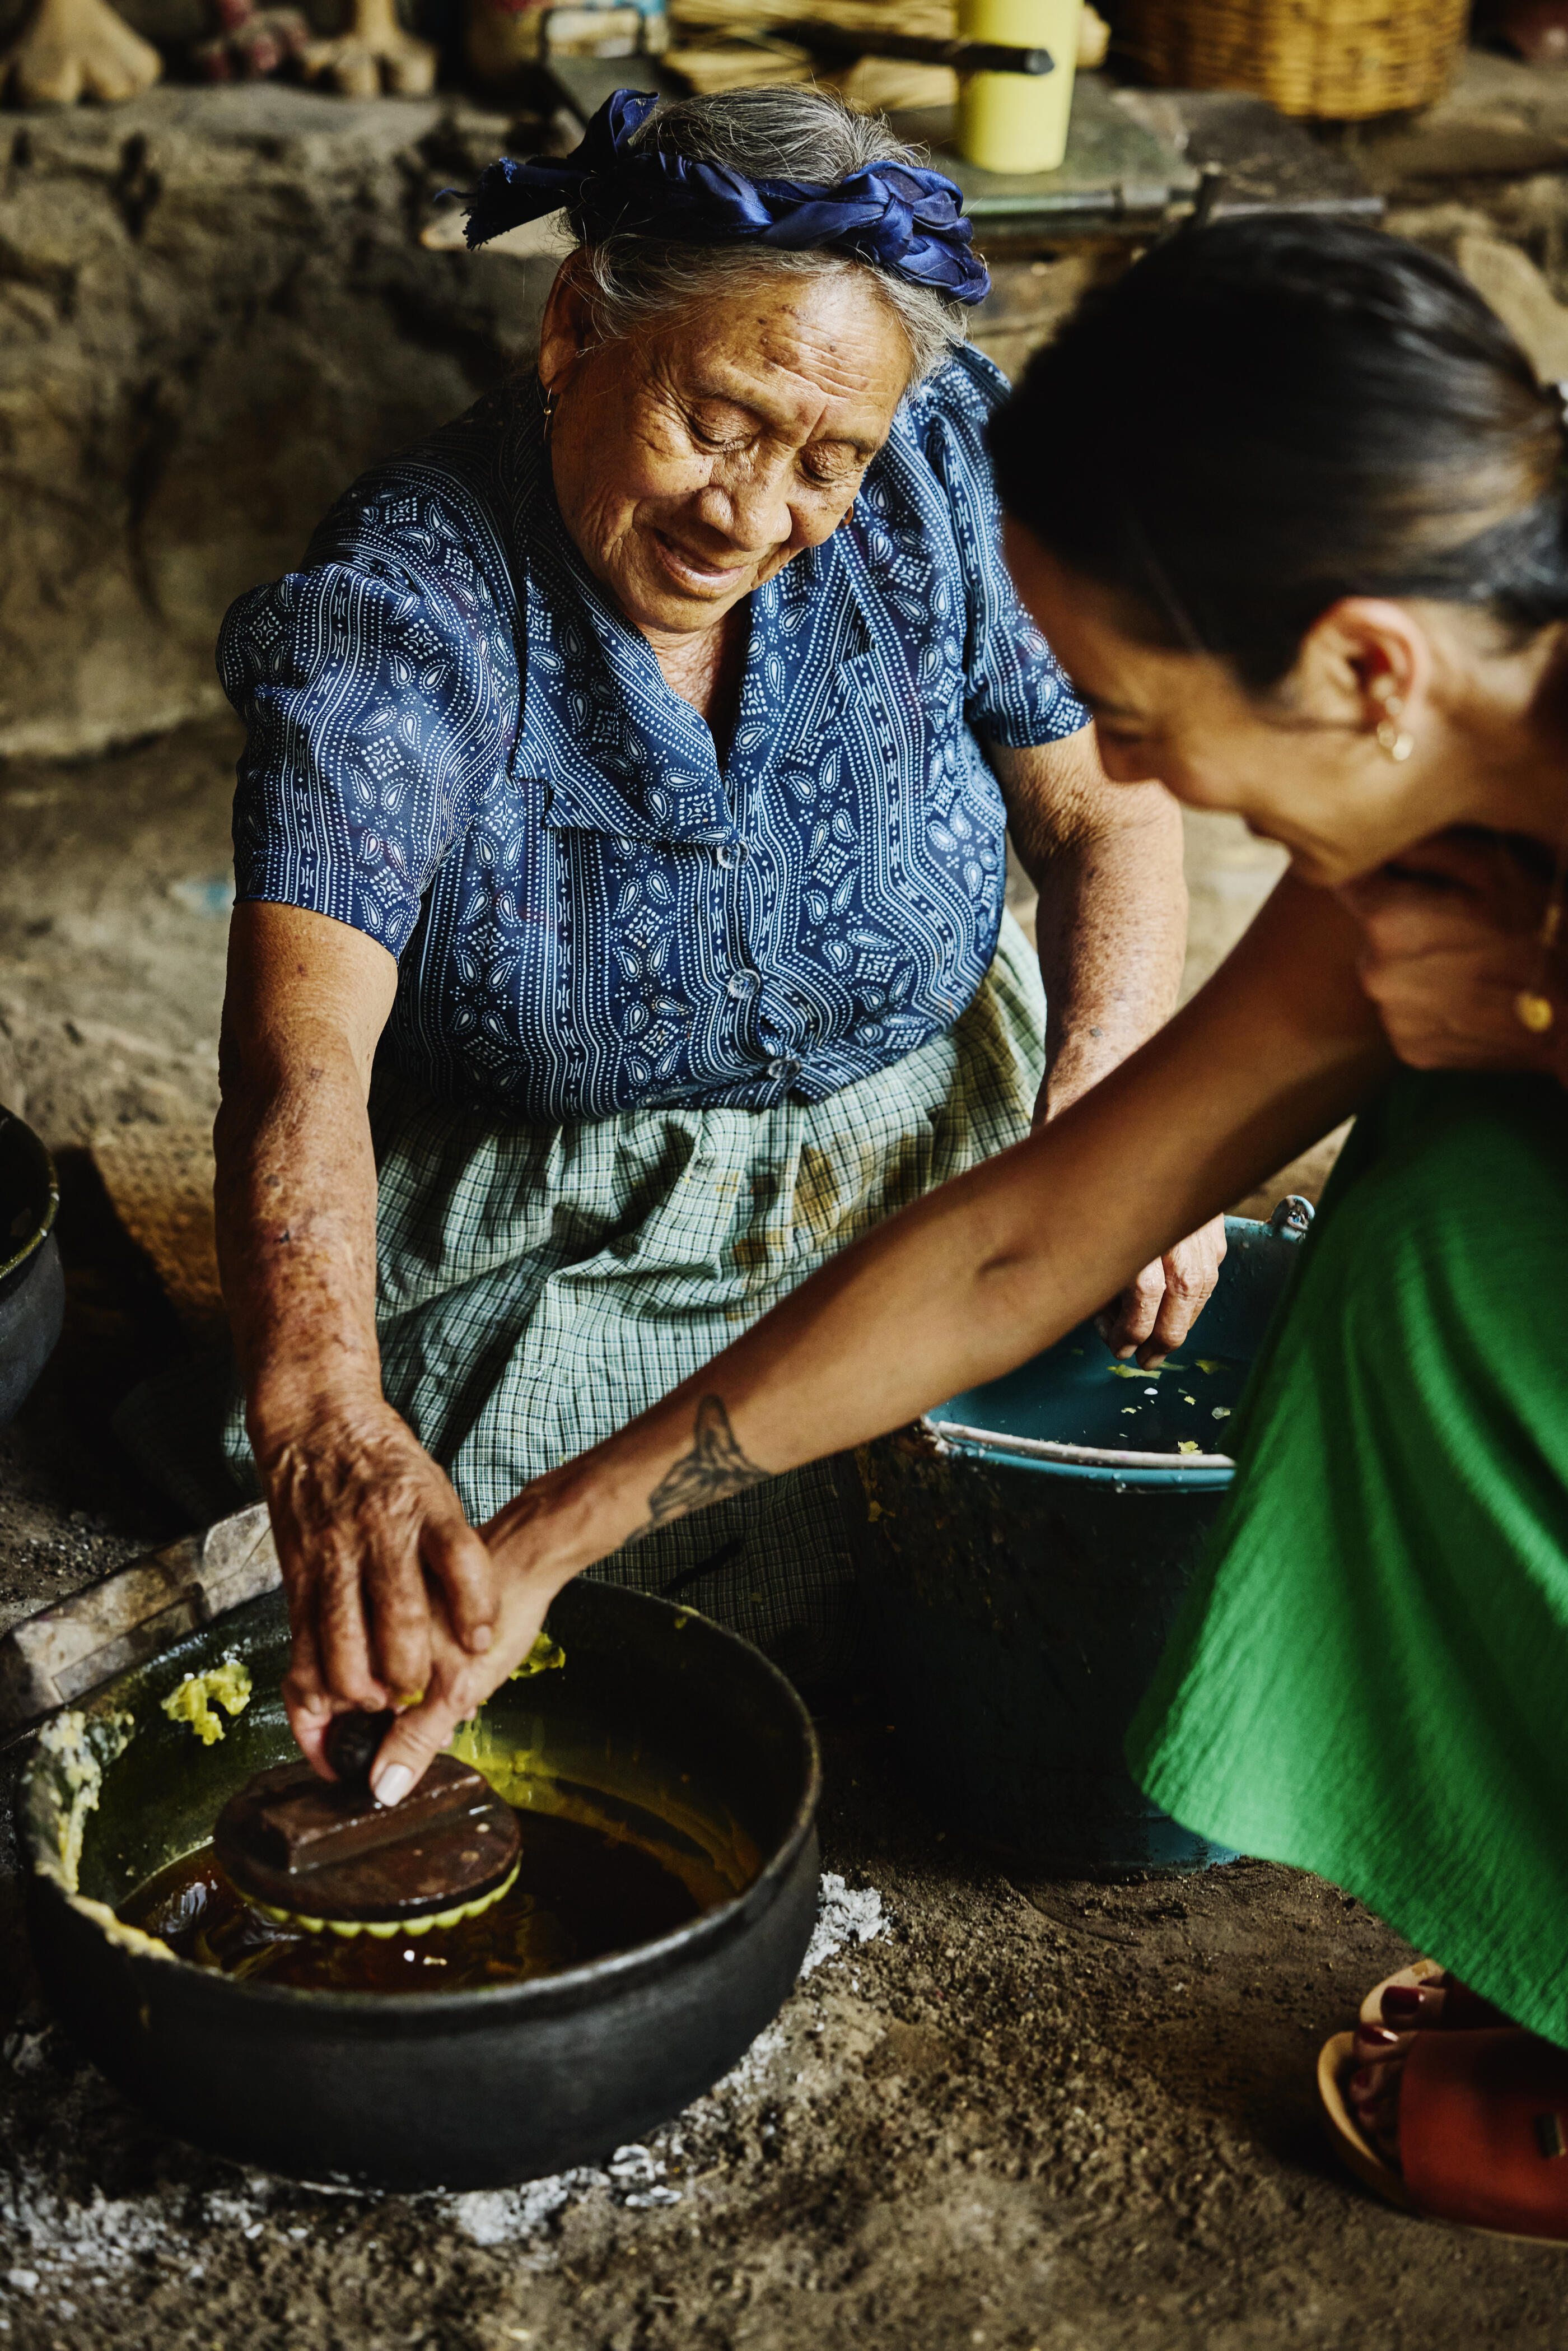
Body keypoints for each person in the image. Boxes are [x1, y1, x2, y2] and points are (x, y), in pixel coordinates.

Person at [333, 215, 1568, 2242]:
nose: (1129, 776)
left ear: (1365, 663)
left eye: (1147, 715)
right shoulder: (1438, 807)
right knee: (1433, 1211)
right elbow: (1032, 1240)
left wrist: (1541, 1011)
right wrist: (549, 1540)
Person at [118, 85, 1220, 1707]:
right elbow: (300, 1056)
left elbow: (1103, 808)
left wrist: (1111, 1094)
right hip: (581, 1232)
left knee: (1121, 1471)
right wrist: (326, 1415)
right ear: (576, 331)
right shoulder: (405, 608)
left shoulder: (938, 461)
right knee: (451, 1611)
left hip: (941, 1145)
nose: (753, 514)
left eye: (824, 460)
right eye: (717, 421)